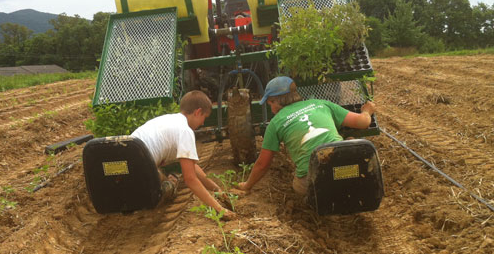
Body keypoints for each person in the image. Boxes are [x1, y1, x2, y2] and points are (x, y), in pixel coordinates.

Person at [238, 76, 376, 196]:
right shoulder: (321, 104)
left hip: (313, 180)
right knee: (349, 143)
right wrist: (367, 110)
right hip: (341, 168)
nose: (271, 109)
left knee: (297, 187)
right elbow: (362, 122)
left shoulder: (275, 123)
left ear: (275, 101)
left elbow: (262, 164)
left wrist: (247, 186)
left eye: (269, 104)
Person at [131, 90, 235, 219]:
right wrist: (219, 210)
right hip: (140, 170)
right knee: (169, 184)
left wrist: (217, 190)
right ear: (197, 112)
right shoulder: (185, 130)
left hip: (126, 159)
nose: (203, 123)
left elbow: (193, 167)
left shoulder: (169, 120)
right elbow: (190, 179)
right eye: (204, 118)